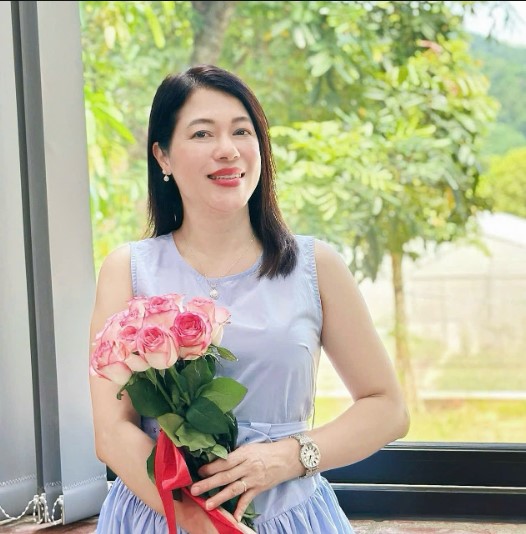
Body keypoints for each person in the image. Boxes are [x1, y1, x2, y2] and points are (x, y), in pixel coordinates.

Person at [89, 64, 410, 534]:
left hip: (291, 517)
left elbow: (387, 408)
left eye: (242, 131)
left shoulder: (316, 266)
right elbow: (112, 430)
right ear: (163, 156)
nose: (227, 149)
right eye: (202, 133)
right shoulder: (128, 269)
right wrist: (198, 522)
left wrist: (289, 456)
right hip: (161, 518)